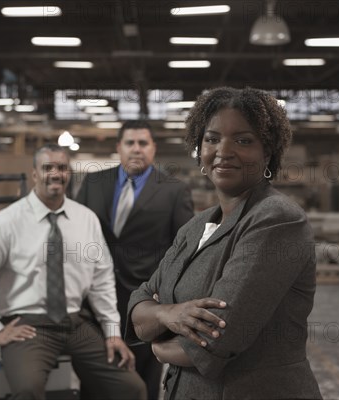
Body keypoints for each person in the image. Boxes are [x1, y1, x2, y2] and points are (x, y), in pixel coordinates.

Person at [127, 87, 322, 400]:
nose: (224, 150)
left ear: (267, 153)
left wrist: (159, 348)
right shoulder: (194, 227)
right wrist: (168, 314)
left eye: (243, 140)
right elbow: (139, 301)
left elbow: (218, 338)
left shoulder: (277, 219)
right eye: (212, 138)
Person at [0, 144, 146, 400]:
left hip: (76, 322)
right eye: (48, 167)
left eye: (62, 167)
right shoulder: (7, 222)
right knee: (27, 390)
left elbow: (101, 281)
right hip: (29, 325)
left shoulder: (85, 219)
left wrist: (112, 333)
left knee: (131, 388)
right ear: (35, 174)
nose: (55, 174)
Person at [76, 120, 194, 400]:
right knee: (94, 377)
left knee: (142, 380)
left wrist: (166, 295)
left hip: (144, 303)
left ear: (153, 148)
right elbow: (76, 233)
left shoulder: (173, 191)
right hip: (93, 299)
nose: (136, 149)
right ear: (119, 147)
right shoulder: (94, 183)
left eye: (143, 143)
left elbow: (183, 250)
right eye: (130, 143)